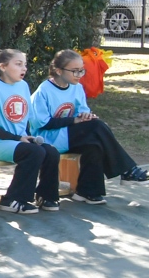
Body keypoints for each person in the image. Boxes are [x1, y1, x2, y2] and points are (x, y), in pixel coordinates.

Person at [29, 49, 148, 204]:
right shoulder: (44, 90)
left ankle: (87, 192)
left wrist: (86, 116)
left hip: (68, 135)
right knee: (96, 127)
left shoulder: (77, 87)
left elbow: (82, 112)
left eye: (82, 70)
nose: (79, 75)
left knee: (94, 144)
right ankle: (127, 170)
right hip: (47, 138)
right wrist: (74, 120)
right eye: (75, 71)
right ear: (58, 71)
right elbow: (42, 123)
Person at [0, 49, 59, 214]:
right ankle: (12, 199)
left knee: (51, 152)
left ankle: (46, 196)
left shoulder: (23, 86)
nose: (24, 68)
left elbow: (26, 119)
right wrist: (17, 138)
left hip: (18, 140)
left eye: (25, 65)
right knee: (33, 152)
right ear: (3, 67)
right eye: (18, 64)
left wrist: (27, 137)